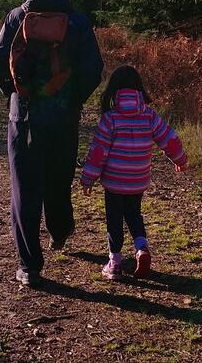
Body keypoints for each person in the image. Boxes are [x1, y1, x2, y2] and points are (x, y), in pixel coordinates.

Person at [0, 0, 104, 287]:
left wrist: (15, 95)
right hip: (62, 117)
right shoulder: (78, 23)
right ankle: (60, 230)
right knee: (58, 178)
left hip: (23, 118)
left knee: (24, 189)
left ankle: (29, 266)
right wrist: (73, 99)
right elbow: (93, 69)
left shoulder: (17, 16)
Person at [79, 64, 187, 280]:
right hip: (138, 180)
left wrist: (88, 178)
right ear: (139, 88)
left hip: (114, 182)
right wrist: (180, 159)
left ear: (113, 90)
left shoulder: (110, 119)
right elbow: (169, 138)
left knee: (114, 219)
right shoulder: (148, 116)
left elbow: (98, 152)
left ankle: (115, 263)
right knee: (134, 214)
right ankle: (141, 249)